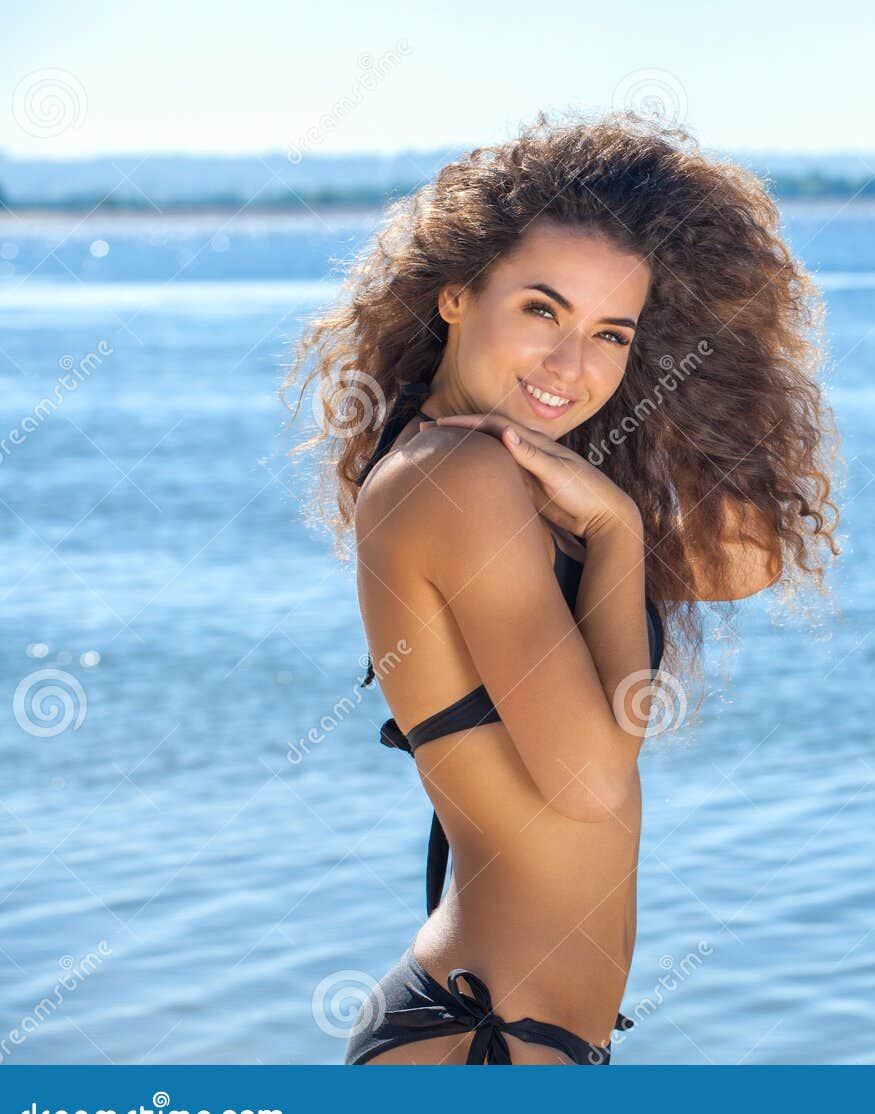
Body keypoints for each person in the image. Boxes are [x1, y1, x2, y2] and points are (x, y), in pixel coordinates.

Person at [284, 110, 841, 1064]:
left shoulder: (514, 474)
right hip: (481, 1041)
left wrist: (693, 377)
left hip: (525, 1036)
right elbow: (588, 779)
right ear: (455, 294)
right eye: (542, 310)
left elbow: (746, 557)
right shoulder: (458, 480)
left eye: (612, 333)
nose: (572, 365)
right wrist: (617, 531)